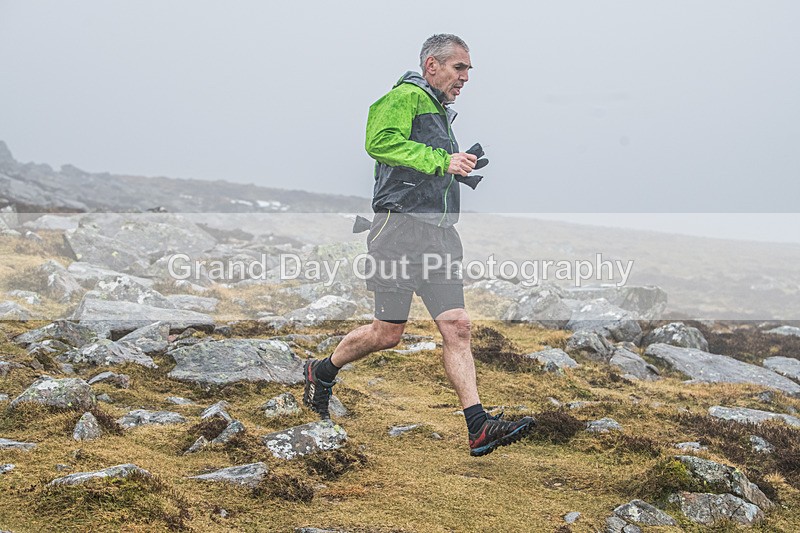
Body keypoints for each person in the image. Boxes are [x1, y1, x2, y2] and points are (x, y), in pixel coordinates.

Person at [304, 34, 534, 457]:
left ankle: (478, 426)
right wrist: (441, 161)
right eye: (459, 68)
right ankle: (321, 371)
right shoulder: (404, 97)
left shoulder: (440, 113)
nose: (466, 77)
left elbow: (421, 161)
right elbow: (379, 142)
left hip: (441, 235)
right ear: (432, 65)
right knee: (387, 333)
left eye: (468, 70)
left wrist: (456, 168)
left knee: (458, 326)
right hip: (398, 232)